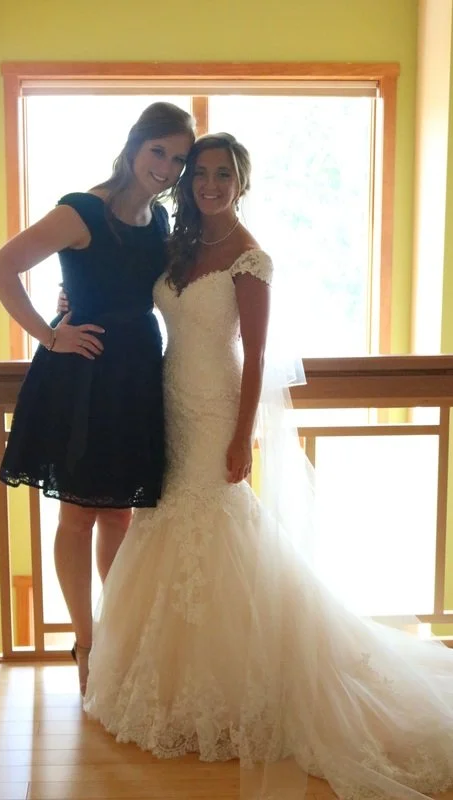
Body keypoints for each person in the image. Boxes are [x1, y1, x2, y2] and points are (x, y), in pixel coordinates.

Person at [83, 133, 453, 800]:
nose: (209, 184)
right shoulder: (179, 244)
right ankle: (167, 681)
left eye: (223, 175)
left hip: (216, 408)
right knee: (162, 521)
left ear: (241, 183)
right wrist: (68, 306)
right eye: (200, 173)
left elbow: (255, 356)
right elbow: (123, 289)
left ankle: (236, 688)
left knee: (217, 525)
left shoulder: (250, 258)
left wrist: (241, 437)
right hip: (167, 401)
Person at [0, 102, 195, 694]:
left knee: (120, 513)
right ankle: (86, 643)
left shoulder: (158, 218)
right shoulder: (81, 210)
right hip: (84, 372)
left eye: (178, 159)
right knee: (77, 516)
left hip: (136, 372)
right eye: (159, 151)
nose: (167, 167)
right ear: (134, 146)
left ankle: (116, 637)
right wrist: (50, 334)